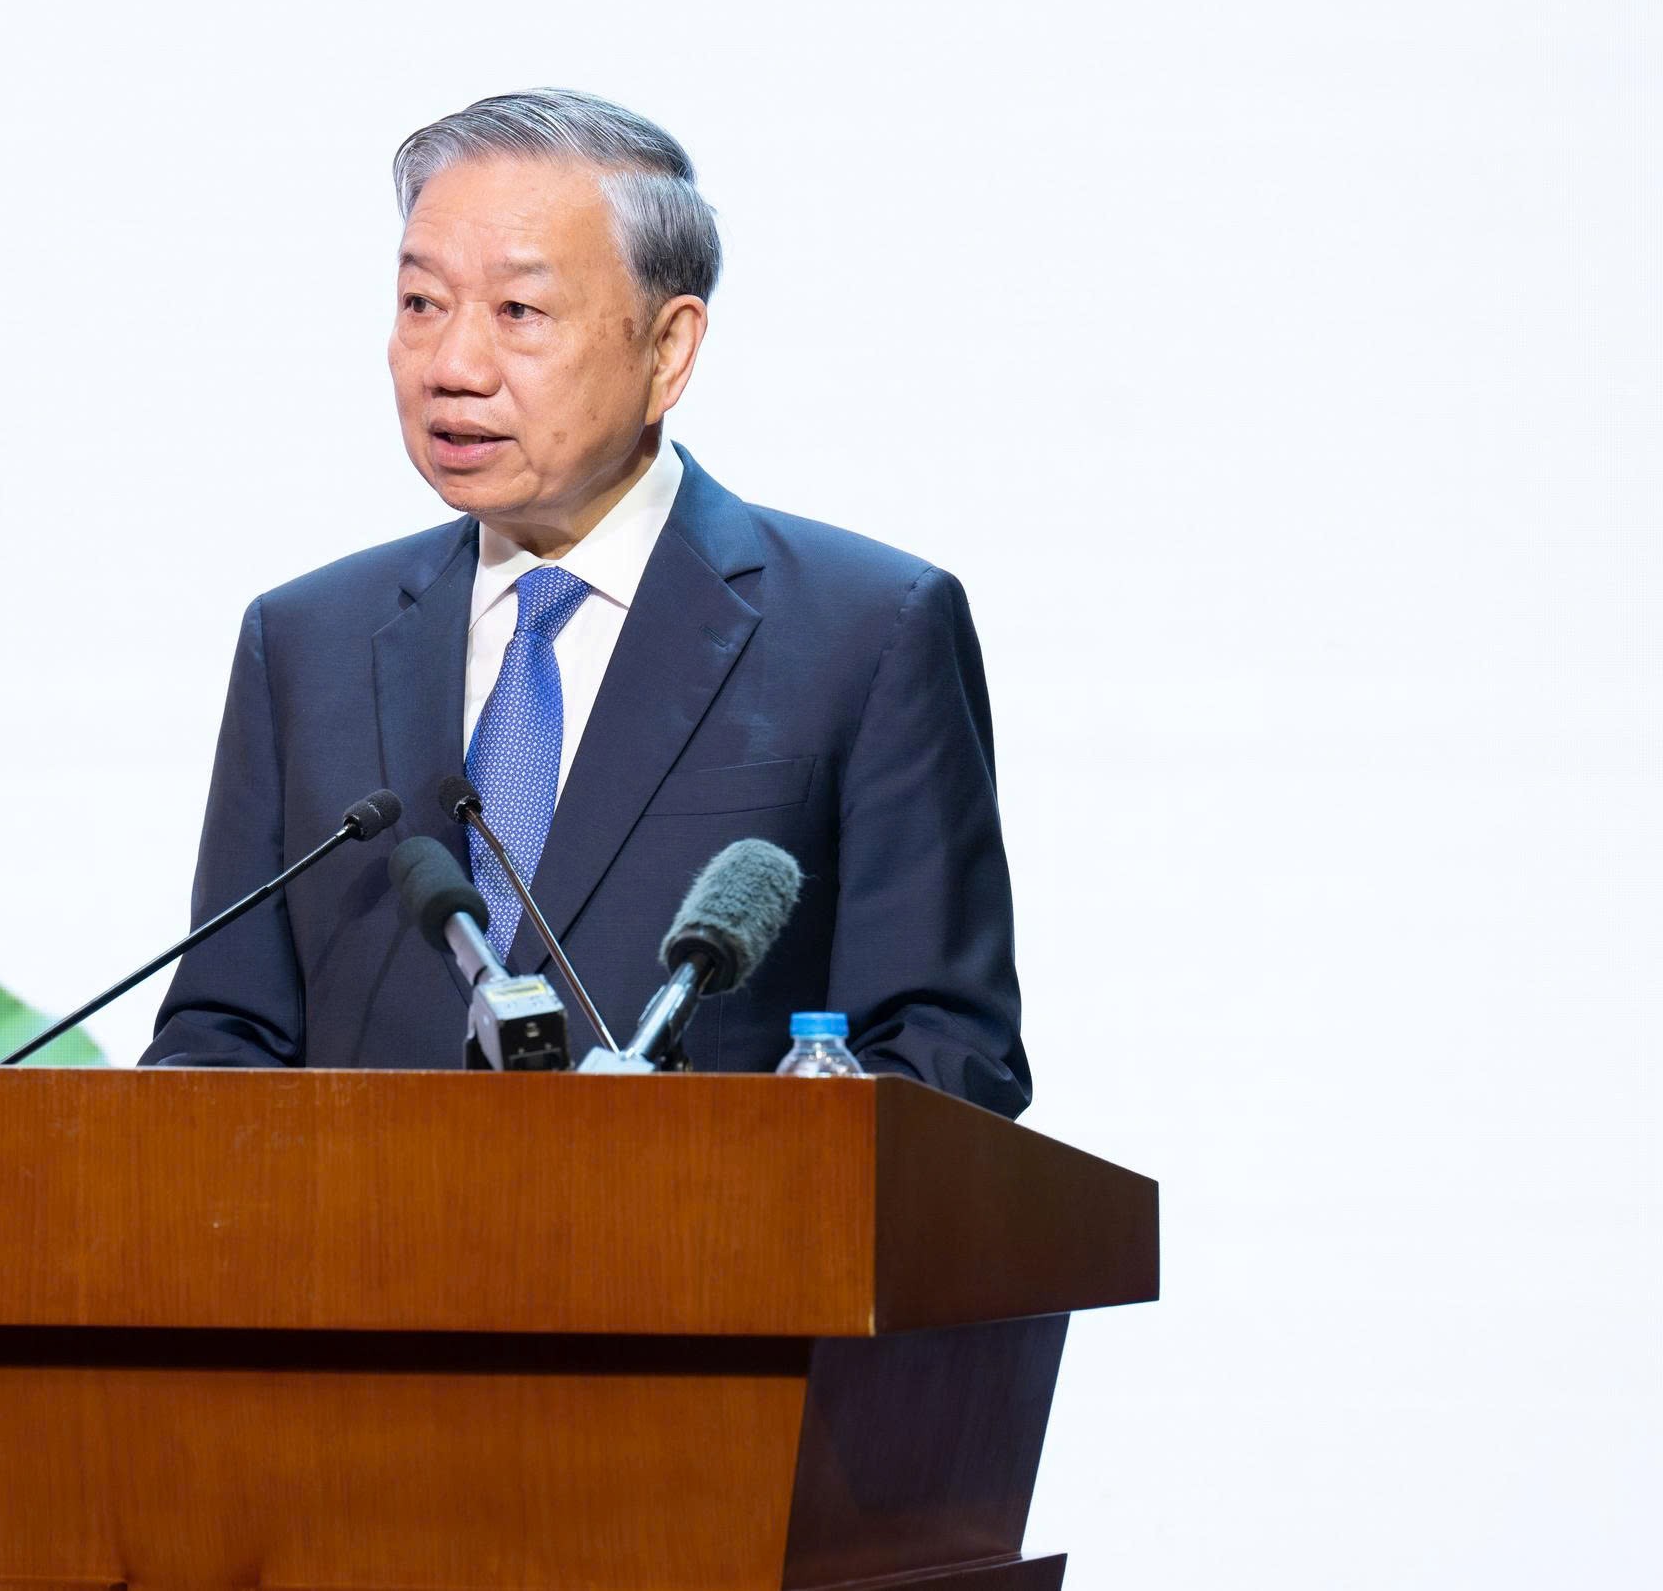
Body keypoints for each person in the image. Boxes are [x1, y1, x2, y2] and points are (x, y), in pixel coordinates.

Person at [139, 89, 1029, 1116]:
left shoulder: (866, 633)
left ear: (668, 348)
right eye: (422, 303)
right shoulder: (305, 643)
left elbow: (941, 1061)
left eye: (519, 312)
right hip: (364, 1224)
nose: (452, 366)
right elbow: (221, 1043)